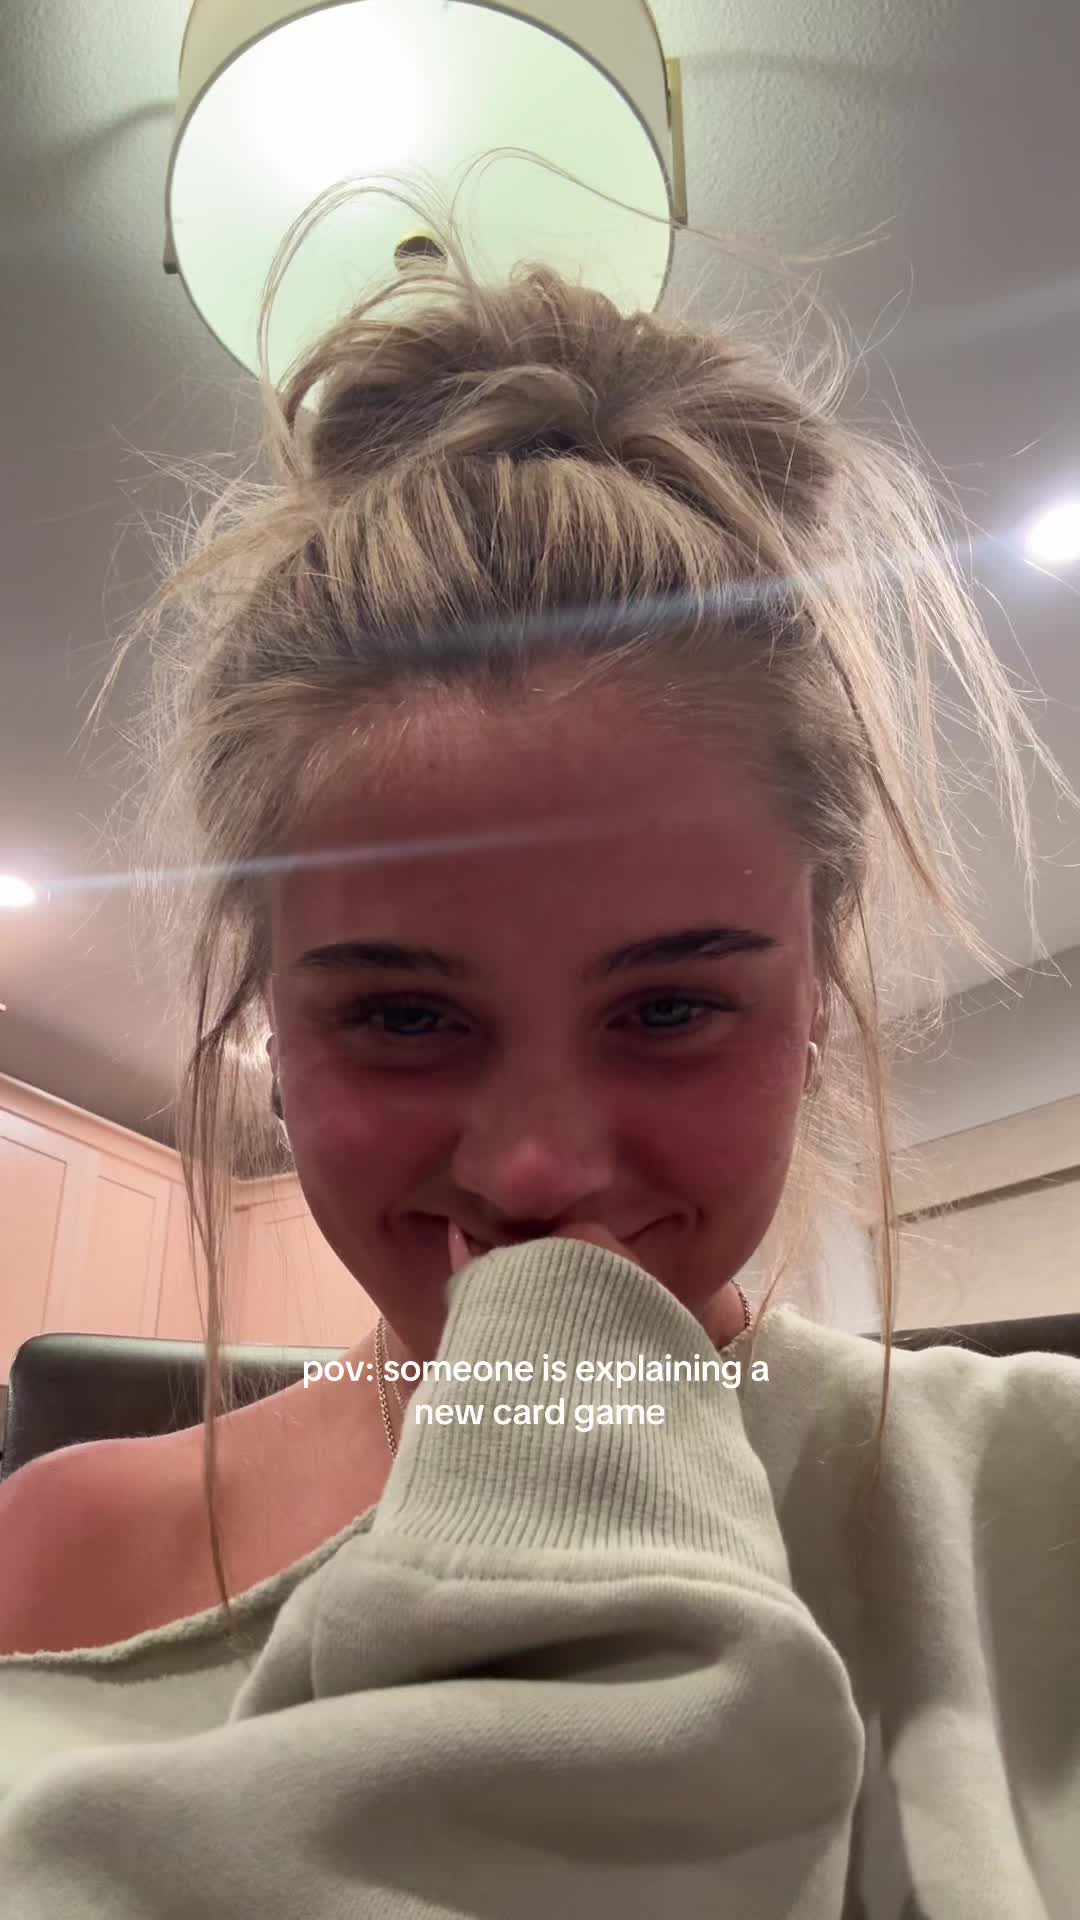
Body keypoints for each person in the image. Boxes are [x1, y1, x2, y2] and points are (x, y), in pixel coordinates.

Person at [0, 178, 1078, 1916]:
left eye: (670, 1008)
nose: (536, 1169)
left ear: (816, 989)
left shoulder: (1041, 1504)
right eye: (403, 1015)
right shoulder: (58, 1555)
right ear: (271, 1012)